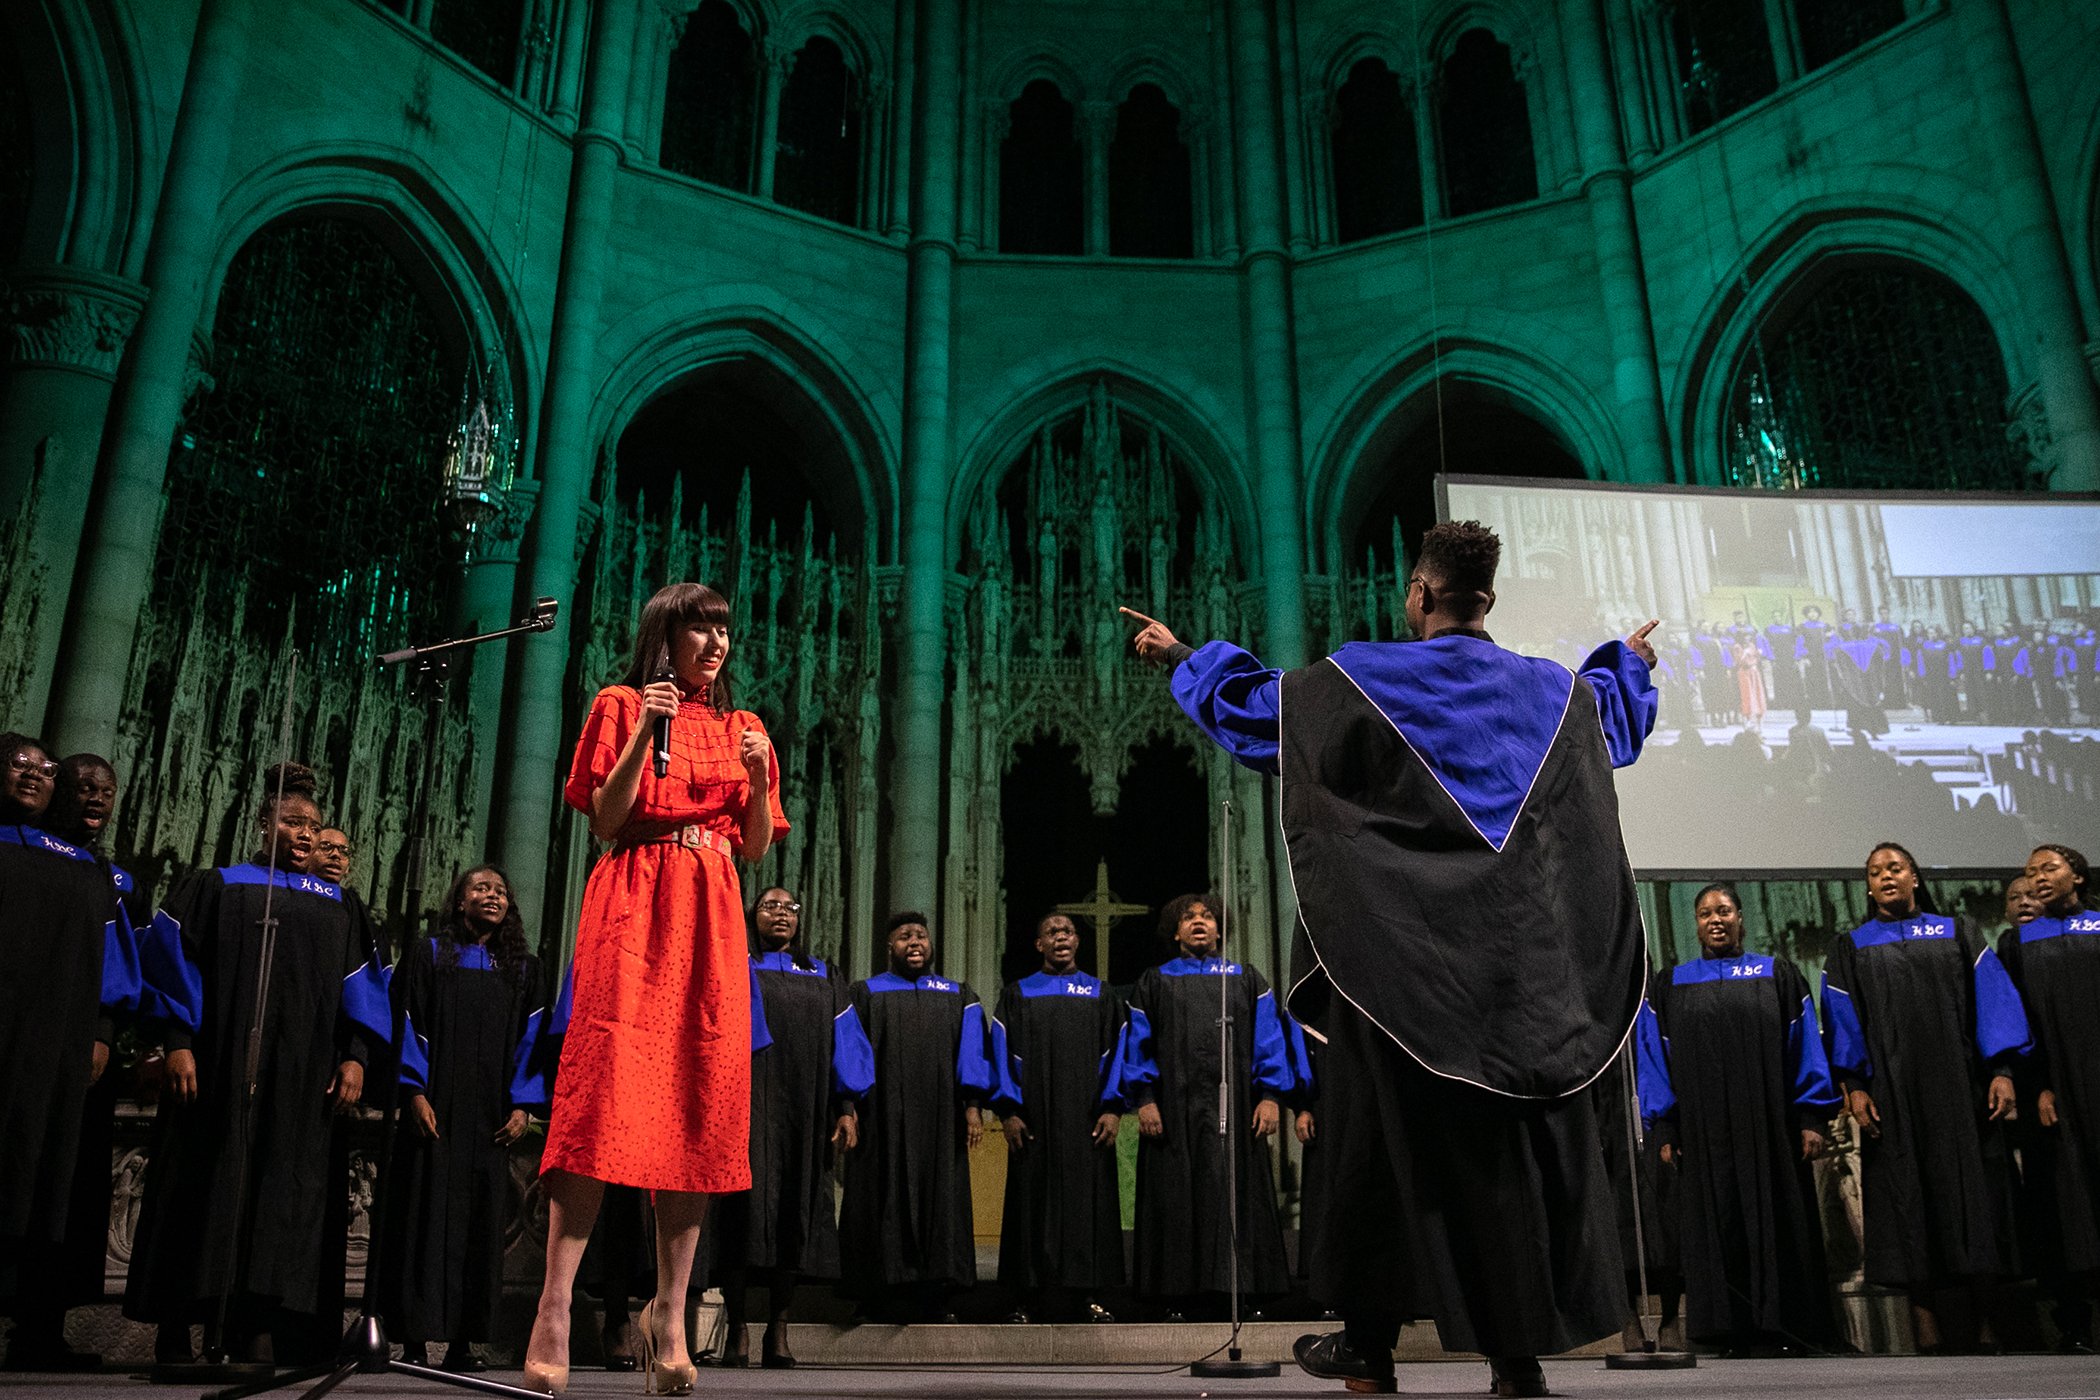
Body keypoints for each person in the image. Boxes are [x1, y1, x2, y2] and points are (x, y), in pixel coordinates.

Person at [1126, 518, 1659, 1398]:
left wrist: (1184, 653)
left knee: (1378, 1153)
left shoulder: (1365, 678)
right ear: (1488, 599)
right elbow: (1613, 723)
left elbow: (1263, 715)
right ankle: (1515, 1362)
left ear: (1418, 594)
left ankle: (1370, 1349)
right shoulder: (1551, 693)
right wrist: (1628, 661)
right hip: (1518, 982)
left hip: (1403, 969)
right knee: (1505, 1164)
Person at [524, 582, 785, 1397]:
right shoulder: (617, 704)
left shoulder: (746, 728)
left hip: (711, 911)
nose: (716, 645)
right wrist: (647, 727)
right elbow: (605, 818)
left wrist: (758, 781)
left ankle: (671, 1311)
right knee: (602, 1098)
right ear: (663, 637)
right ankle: (554, 1307)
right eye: (700, 629)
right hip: (635, 902)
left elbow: (753, 849)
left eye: (724, 631)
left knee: (699, 1103)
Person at [123, 762, 389, 1365]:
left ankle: (259, 1321)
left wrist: (356, 1058)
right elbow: (172, 961)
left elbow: (362, 990)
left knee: (280, 1197)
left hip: (300, 1082)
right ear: (262, 824)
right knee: (200, 1186)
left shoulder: (339, 905)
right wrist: (178, 1039)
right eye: (291, 822)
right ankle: (177, 1324)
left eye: (312, 826)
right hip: (216, 1069)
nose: (303, 834)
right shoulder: (217, 884)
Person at [1820, 841, 2030, 1352]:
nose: (1885, 877)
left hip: (1962, 1092)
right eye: (1875, 872)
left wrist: (2000, 1070)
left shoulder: (1958, 932)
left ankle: (1985, 1322)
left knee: (1973, 1201)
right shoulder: (1852, 946)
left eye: (1895, 868)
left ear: (1915, 877)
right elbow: (1843, 1024)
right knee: (1906, 1203)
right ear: (1868, 887)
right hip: (1892, 1098)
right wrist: (1855, 1086)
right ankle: (1926, 1326)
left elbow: (1992, 1002)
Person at [1638, 883, 1838, 1353]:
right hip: (1703, 1136)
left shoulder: (1778, 975)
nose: (1716, 919)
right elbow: (1654, 1061)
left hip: (1770, 1129)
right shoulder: (1672, 985)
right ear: (1696, 923)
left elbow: (1804, 1046)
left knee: (1777, 1221)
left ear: (1741, 918)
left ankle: (1783, 1329)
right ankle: (1723, 1331)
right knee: (1716, 1223)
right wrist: (1664, 1125)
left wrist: (1811, 1114)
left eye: (1724, 910)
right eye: (1706, 912)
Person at [1, 743, 140, 1371]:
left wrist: (104, 1033)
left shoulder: (99, 876)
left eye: (105, 790)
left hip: (64, 1052)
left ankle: (38, 1328)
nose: (92, 798)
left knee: (55, 1186)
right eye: (78, 783)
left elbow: (117, 967)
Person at [378, 865, 548, 1371]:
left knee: (480, 1225)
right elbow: (406, 1020)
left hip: (491, 1118)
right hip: (436, 1110)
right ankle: (411, 1338)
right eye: (481, 888)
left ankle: (463, 1342)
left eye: (500, 891)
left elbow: (534, 1040)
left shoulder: (523, 968)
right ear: (459, 902)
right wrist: (413, 1091)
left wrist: (524, 1106)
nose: (492, 896)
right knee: (420, 1218)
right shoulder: (429, 954)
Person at [709, 886, 873, 1367]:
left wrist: (847, 1105)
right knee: (740, 1212)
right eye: (770, 906)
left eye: (790, 908)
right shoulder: (735, 964)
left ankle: (778, 1328)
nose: (781, 914)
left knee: (793, 1214)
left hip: (805, 1112)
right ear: (752, 916)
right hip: (744, 1107)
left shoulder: (824, 973)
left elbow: (847, 1041)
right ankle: (737, 1327)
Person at [1118, 892, 1293, 1321]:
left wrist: (1270, 1097)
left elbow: (1269, 1042)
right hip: (1172, 1115)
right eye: (1189, 917)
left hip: (1237, 1110)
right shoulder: (1155, 981)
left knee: (1234, 1191)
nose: (1200, 922)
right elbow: (1137, 1045)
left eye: (1208, 917)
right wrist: (1144, 1100)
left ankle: (1240, 1293)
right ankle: (1176, 1295)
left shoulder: (1246, 978)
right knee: (1176, 1194)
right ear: (1174, 931)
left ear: (1220, 928)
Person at [840, 912, 995, 1321]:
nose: (914, 942)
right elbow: (851, 1054)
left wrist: (973, 1107)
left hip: (941, 1122)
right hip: (881, 1121)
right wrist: (847, 1108)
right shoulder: (866, 993)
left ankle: (937, 1295)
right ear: (889, 946)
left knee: (940, 1201)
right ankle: (874, 1295)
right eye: (904, 936)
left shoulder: (958, 994)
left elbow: (973, 1053)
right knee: (878, 1199)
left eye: (921, 936)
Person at [993, 912, 1127, 1324]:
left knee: (1089, 1207)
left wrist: (1111, 1106)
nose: (1061, 937)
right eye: (1051, 931)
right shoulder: (1018, 994)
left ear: (1077, 941)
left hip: (1086, 1119)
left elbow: (1118, 1053)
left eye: (1067, 931)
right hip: (1031, 1121)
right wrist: (1009, 1111)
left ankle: (1089, 1296)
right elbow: (1001, 1053)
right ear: (1039, 944)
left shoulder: (1101, 994)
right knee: (1028, 1205)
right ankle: (1025, 1299)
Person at [1997, 845, 2098, 1352]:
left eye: (2048, 869)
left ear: (2076, 877)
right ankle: (2073, 1320)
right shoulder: (2017, 943)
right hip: (2053, 1092)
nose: (2037, 878)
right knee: (2062, 1199)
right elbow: (2016, 1022)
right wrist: (2036, 1085)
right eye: (2030, 872)